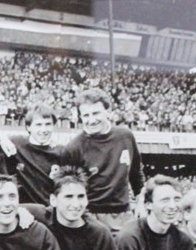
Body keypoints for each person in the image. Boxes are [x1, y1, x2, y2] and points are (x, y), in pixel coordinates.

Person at [61, 88, 145, 233]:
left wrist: (141, 202)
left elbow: (136, 176)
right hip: (89, 216)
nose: (91, 120)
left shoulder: (125, 136)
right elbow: (67, 190)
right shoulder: (73, 148)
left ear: (108, 111)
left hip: (123, 215)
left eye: (96, 113)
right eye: (86, 115)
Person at [6, 102, 64, 205]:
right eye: (38, 125)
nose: (43, 130)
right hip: (23, 209)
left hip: (50, 210)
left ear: (54, 126)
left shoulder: (62, 152)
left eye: (48, 124)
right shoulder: (16, 144)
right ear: (28, 127)